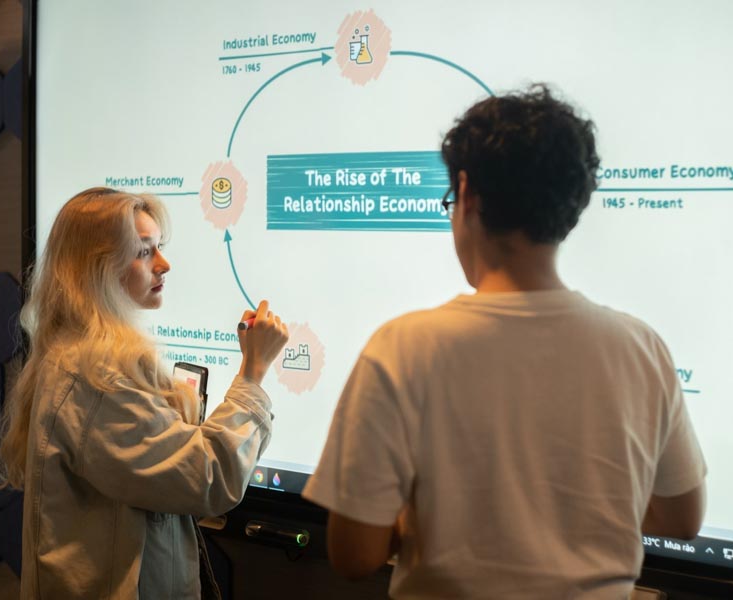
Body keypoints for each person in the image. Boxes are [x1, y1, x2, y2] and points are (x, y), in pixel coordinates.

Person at [302, 85, 707, 598]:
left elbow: (354, 554)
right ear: (571, 206)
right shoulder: (641, 348)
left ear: (467, 192)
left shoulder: (403, 348)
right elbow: (683, 515)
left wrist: (429, 518)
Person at [0, 187, 289, 599]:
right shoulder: (95, 378)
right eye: (144, 252)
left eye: (159, 248)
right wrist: (253, 373)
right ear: (96, 268)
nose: (164, 265)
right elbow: (208, 478)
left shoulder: (79, 358)